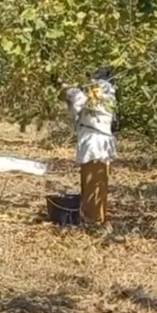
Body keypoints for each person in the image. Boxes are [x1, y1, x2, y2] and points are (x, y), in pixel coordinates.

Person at [61, 68, 117, 226]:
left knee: (95, 183)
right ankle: (90, 217)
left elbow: (79, 101)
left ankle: (94, 221)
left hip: (96, 142)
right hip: (95, 139)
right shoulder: (104, 89)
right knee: (93, 182)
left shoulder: (101, 89)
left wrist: (65, 85)